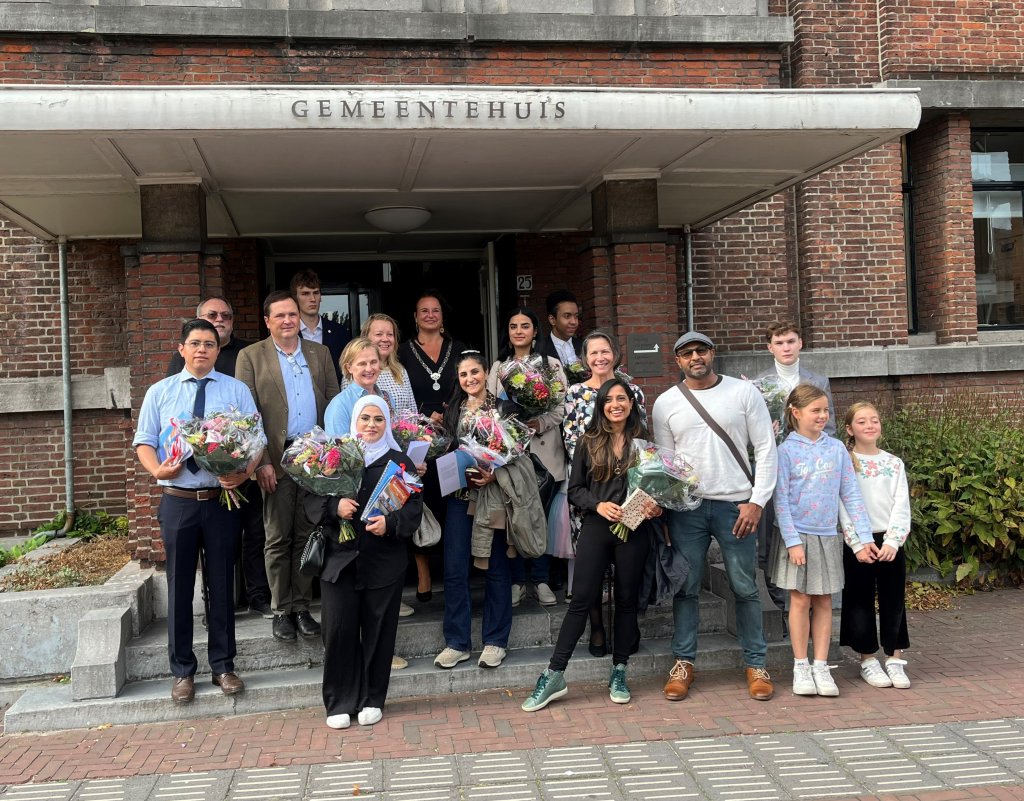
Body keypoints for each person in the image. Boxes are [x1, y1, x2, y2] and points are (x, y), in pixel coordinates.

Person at [134, 318, 261, 703]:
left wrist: (244, 474)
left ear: (218, 350)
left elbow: (257, 441)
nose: (202, 349)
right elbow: (144, 441)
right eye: (195, 343)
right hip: (178, 501)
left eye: (209, 343)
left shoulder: (236, 390)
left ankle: (223, 666)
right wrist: (157, 469)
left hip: (221, 501)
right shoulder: (160, 392)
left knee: (222, 584)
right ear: (182, 349)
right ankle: (183, 672)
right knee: (179, 585)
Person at [652, 331, 777, 702]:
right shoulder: (666, 403)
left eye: (701, 350)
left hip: (736, 505)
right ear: (677, 361)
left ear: (712, 354)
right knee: (686, 587)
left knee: (744, 586)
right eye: (687, 352)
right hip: (688, 509)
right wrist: (668, 510)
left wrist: (757, 501)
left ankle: (756, 663)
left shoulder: (743, 393)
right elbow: (666, 462)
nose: (695, 357)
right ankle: (683, 662)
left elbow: (766, 449)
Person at [522, 378, 658, 712]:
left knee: (626, 600)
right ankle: (554, 674)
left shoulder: (644, 442)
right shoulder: (588, 441)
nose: (616, 404)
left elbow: (656, 485)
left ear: (631, 403)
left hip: (634, 526)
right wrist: (598, 505)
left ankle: (619, 670)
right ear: (600, 406)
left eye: (622, 398)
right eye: (609, 399)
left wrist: (655, 505)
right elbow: (576, 489)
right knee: (581, 599)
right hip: (598, 526)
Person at [304, 396, 423, 729]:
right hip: (339, 562)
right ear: (354, 421)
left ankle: (372, 697)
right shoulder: (335, 456)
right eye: (365, 419)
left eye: (378, 419)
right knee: (338, 630)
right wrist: (334, 507)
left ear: (387, 424)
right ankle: (339, 701)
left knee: (378, 632)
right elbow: (311, 500)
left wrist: (392, 525)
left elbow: (414, 510)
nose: (371, 425)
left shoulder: (401, 463)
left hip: (382, 563)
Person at [236, 291, 340, 643]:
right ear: (267, 321)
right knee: (277, 537)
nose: (287, 321)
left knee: (307, 533)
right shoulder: (251, 356)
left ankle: (302, 607)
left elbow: (332, 404)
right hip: (276, 458)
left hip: (313, 458)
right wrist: (260, 461)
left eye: (292, 314)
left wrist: (330, 458)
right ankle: (281, 609)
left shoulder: (320, 353)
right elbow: (247, 416)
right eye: (279, 315)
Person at [166, 297, 272, 619]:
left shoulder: (245, 355)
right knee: (211, 553)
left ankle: (255, 595)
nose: (220, 319)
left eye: (226, 315)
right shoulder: (176, 369)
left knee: (253, 533)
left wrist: (250, 463)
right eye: (212, 315)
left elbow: (253, 423)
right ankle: (216, 602)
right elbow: (176, 421)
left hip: (240, 469)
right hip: (194, 481)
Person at [770, 383, 873, 698]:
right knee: (800, 599)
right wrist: (792, 541)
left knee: (826, 600)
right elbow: (781, 500)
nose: (822, 415)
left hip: (828, 534)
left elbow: (850, 493)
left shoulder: (836, 448)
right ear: (796, 412)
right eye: (815, 410)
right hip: (797, 535)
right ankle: (800, 665)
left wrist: (864, 536)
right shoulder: (786, 451)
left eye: (825, 410)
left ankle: (821, 665)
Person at [561, 331, 647, 654]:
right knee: (592, 569)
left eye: (605, 351)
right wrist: (596, 493)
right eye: (593, 353)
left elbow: (642, 443)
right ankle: (597, 628)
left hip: (630, 496)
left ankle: (628, 629)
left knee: (628, 568)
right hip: (589, 491)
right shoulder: (574, 394)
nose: (600, 358)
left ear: (615, 353)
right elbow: (572, 442)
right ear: (585, 359)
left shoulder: (632, 390)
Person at [433, 351, 515, 671]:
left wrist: (496, 473)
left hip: (492, 497)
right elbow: (447, 448)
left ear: (485, 373)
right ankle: (457, 642)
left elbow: (516, 454)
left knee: (495, 567)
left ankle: (495, 641)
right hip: (458, 497)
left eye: (475, 372)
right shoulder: (453, 410)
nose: (470, 379)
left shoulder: (505, 409)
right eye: (464, 374)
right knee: (455, 569)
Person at [487, 306, 568, 608]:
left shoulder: (552, 366)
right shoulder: (498, 368)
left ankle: (542, 579)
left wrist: (538, 422)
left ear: (535, 331)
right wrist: (512, 425)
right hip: (514, 454)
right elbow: (492, 410)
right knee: (516, 517)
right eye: (512, 326)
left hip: (546, 451)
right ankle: (518, 581)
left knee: (542, 517)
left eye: (525, 326)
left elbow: (560, 410)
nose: (518, 331)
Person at [753, 320, 836, 611]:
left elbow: (830, 428)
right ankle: (781, 602)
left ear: (800, 343)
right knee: (772, 532)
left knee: (808, 533)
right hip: (774, 467)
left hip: (811, 474)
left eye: (790, 341)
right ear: (769, 348)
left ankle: (813, 600)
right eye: (779, 342)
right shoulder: (759, 384)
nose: (786, 347)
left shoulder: (818, 381)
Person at [398, 291, 468, 602]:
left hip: (452, 436)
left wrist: (447, 413)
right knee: (420, 502)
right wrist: (423, 419)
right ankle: (424, 573)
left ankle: (452, 570)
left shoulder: (460, 349)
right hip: (417, 440)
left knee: (450, 501)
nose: (430, 315)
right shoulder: (402, 353)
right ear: (414, 317)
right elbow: (398, 395)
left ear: (442, 316)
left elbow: (468, 387)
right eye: (423, 310)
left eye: (435, 310)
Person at [838, 402, 913, 689]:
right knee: (860, 600)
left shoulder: (893, 463)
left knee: (894, 600)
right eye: (861, 421)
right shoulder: (846, 462)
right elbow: (842, 504)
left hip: (890, 540)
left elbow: (901, 504)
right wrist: (856, 542)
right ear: (849, 429)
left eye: (874, 420)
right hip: (858, 542)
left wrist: (894, 540)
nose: (870, 425)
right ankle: (868, 659)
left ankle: (895, 658)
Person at [291, 269, 350, 383]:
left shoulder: (340, 332)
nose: (312, 299)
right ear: (295, 298)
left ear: (321, 296)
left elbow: (348, 369)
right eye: (305, 293)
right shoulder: (289, 333)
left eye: (316, 293)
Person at [324, 338, 391, 435]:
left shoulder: (387, 398)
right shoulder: (339, 405)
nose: (369, 369)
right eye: (362, 364)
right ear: (349, 368)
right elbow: (338, 447)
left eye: (373, 362)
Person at [362, 313, 417, 417]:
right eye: (379, 334)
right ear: (365, 338)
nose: (385, 339)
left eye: (390, 334)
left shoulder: (400, 371)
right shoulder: (357, 371)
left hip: (403, 433)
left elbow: (413, 412)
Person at [535, 289, 582, 367]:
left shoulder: (585, 346)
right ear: (552, 320)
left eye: (576, 316)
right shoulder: (538, 349)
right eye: (567, 316)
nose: (574, 322)